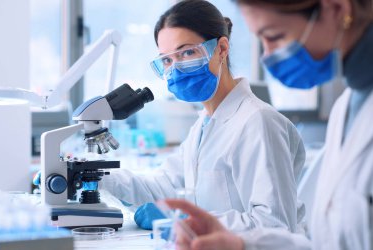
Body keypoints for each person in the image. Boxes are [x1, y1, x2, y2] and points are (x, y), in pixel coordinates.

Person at [164, 0, 373, 249]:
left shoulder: (259, 120)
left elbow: (275, 221)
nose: (268, 55)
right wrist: (241, 244)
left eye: (274, 35)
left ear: (337, 10)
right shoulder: (346, 106)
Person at [101, 0, 306, 232]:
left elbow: (274, 224)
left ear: (221, 49)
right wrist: (100, 177)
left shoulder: (258, 122)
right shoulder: (203, 125)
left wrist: (190, 223)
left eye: (187, 52)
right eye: (167, 60)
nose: (175, 68)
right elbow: (166, 186)